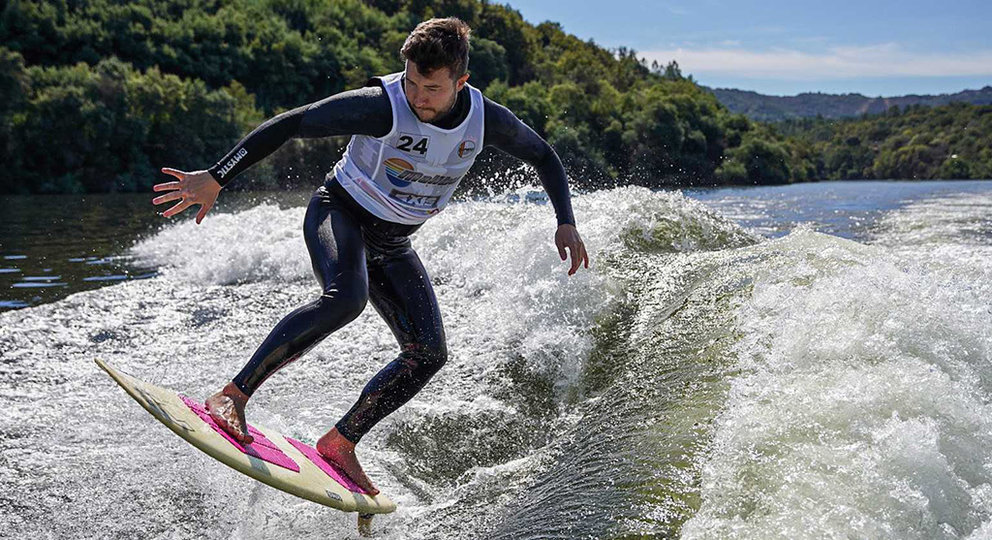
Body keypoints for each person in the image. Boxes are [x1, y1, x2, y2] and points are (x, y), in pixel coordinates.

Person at [152, 17, 589, 496]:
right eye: (412, 82)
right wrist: (218, 175)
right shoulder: (383, 108)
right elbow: (293, 122)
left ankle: (341, 442)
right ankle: (232, 395)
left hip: (394, 242)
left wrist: (564, 220)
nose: (419, 97)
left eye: (433, 88)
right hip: (340, 213)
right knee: (345, 300)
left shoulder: (487, 120)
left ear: (461, 82)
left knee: (428, 353)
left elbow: (544, 156)